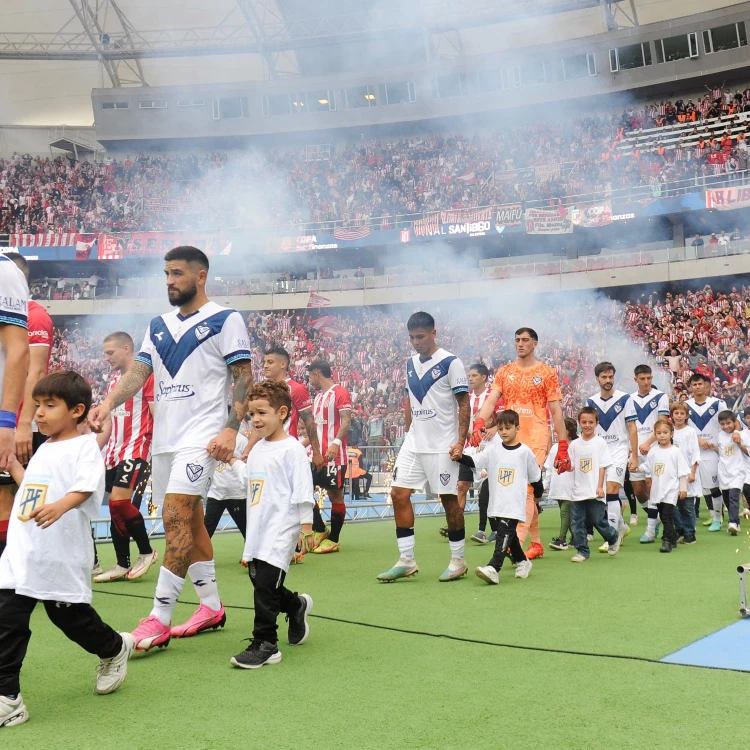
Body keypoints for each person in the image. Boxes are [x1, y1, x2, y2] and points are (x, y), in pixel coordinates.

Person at [88, 246, 252, 652]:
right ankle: (211, 607)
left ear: (200, 276)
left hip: (204, 436)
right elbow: (139, 372)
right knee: (191, 520)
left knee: (176, 515)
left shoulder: (225, 318)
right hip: (166, 440)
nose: (169, 281)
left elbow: (243, 379)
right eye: (165, 274)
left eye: (177, 273)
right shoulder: (157, 324)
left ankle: (158, 618)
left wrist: (232, 429)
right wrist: (107, 404)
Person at [0, 371, 134, 727]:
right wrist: (14, 466)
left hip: (57, 554)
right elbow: (33, 488)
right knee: (8, 619)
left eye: (49, 406)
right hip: (22, 551)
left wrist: (61, 506)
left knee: (71, 619)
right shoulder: (45, 447)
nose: (39, 413)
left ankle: (114, 648)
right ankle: (8, 697)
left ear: (76, 410)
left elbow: (88, 487)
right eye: (37, 405)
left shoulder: (84, 446)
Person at [227, 381, 315, 669]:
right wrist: (230, 459)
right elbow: (251, 482)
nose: (256, 419)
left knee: (264, 584)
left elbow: (303, 490)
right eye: (252, 414)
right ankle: (295, 605)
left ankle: (266, 643)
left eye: (262, 412)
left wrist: (305, 527)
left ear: (282, 412)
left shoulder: (292, 450)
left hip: (281, 527)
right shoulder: (258, 449)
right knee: (261, 581)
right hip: (258, 527)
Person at [377, 311, 469, 583]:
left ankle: (458, 560)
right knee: (398, 494)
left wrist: (460, 441)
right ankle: (406, 560)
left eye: (421, 337)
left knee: (449, 501)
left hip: (443, 445)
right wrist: (408, 432)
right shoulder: (409, 364)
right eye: (412, 338)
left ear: (433, 333)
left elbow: (464, 404)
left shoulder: (452, 363)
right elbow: (410, 399)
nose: (416, 342)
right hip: (414, 443)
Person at [472, 327, 570, 561]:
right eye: (517, 340)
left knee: (525, 489)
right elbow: (492, 400)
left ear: (535, 343)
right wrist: (478, 423)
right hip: (510, 437)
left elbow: (556, 412)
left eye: (525, 340)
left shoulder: (546, 373)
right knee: (524, 492)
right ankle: (536, 544)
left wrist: (563, 445)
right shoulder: (505, 372)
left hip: (536, 438)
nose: (520, 344)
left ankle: (512, 543)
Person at [243, 347, 328, 545]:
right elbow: (258, 424)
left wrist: (316, 452)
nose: (265, 365)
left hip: (286, 452)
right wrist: (248, 450)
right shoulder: (262, 389)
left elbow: (309, 421)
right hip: (265, 451)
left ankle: (300, 538)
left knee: (292, 495)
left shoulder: (296, 389)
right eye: (264, 362)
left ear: (284, 364)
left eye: (270, 362)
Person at [93, 332, 157, 583]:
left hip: (137, 448)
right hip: (113, 452)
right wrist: (93, 451)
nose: (106, 358)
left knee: (119, 502)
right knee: (114, 509)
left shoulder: (147, 378)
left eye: (110, 352)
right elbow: (109, 423)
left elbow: (156, 415)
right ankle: (122, 563)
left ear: (127, 349)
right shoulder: (113, 384)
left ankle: (147, 551)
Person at [455, 409, 542, 585]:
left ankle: (494, 568)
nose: (503, 432)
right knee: (510, 536)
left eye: (508, 428)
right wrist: (459, 457)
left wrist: (538, 497)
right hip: (498, 502)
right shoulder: (493, 450)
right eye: (500, 428)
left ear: (517, 428)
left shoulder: (524, 452)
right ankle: (523, 562)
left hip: (514, 503)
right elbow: (475, 462)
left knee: (503, 534)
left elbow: (536, 478)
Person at [0, 254, 50, 558]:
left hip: (17, 422)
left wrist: (18, 423)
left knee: (14, 495)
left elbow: (34, 368)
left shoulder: (36, 315)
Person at [586, 362, 638, 552]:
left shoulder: (625, 399)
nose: (608, 381)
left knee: (612, 490)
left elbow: (632, 428)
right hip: (599, 450)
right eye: (604, 377)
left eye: (610, 377)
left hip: (618, 449)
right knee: (605, 495)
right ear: (597, 379)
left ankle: (612, 537)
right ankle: (622, 527)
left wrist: (634, 456)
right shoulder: (590, 402)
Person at [307, 359, 352, 554]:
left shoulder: (340, 392)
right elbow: (317, 428)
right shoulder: (318, 397)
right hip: (315, 456)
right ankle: (319, 528)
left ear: (317, 374)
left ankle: (334, 539)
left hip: (335, 456)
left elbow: (346, 420)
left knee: (335, 495)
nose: (309, 381)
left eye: (310, 377)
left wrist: (335, 443)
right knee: (303, 492)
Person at [567, 406, 620, 562]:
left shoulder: (600, 443)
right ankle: (582, 551)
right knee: (576, 523)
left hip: (594, 490)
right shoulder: (574, 444)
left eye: (591, 422)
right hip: (577, 491)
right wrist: (563, 465)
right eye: (584, 422)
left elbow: (602, 466)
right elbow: (570, 464)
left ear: (596, 423)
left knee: (597, 520)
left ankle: (613, 537)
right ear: (579, 423)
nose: (587, 425)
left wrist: (600, 486)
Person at [459, 363, 496, 544]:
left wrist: (495, 428)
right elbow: (462, 421)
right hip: (469, 449)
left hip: (488, 447)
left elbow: (504, 418)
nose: (470, 378)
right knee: (461, 486)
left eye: (474, 375)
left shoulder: (494, 396)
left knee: (487, 493)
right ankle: (457, 525)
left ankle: (493, 529)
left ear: (483, 377)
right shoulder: (466, 398)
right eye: (469, 375)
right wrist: (466, 433)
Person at [629, 364, 670, 525]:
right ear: (636, 380)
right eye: (642, 379)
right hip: (636, 452)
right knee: (639, 491)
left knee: (651, 486)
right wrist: (630, 450)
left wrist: (647, 443)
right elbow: (629, 427)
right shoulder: (630, 399)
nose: (646, 382)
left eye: (649, 378)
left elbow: (662, 424)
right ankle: (658, 517)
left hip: (654, 449)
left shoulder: (660, 397)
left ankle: (652, 527)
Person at [685, 373, 727, 531]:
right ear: (691, 387)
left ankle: (718, 518)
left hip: (712, 452)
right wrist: (697, 440)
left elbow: (727, 423)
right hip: (692, 452)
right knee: (691, 487)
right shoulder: (686, 405)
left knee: (714, 487)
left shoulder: (717, 404)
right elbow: (683, 428)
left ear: (706, 385)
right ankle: (688, 521)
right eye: (694, 385)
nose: (697, 387)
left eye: (700, 384)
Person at [644, 419, 690, 553]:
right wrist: (636, 467)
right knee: (663, 514)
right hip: (657, 490)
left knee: (666, 516)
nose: (662, 435)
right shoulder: (653, 451)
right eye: (659, 433)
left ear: (671, 434)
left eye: (665, 432)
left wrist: (683, 488)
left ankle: (667, 540)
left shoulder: (675, 451)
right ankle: (673, 536)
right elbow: (648, 466)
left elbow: (682, 472)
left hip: (671, 490)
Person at [204, 429, 248, 540]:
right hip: (215, 493)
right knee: (206, 532)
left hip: (237, 493)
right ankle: (199, 557)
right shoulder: (212, 438)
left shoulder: (242, 440)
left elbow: (246, 463)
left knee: (247, 530)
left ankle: (252, 557)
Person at [670, 401, 700, 545]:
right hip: (672, 474)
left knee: (688, 506)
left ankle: (690, 534)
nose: (679, 416)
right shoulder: (669, 431)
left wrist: (693, 472)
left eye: (682, 413)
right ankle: (680, 528)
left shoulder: (690, 432)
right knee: (673, 504)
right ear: (672, 415)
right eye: (676, 413)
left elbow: (695, 453)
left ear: (687, 416)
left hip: (687, 473)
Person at [546, 417, 579, 551]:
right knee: (566, 513)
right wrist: (545, 484)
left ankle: (561, 539)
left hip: (570, 486)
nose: (555, 431)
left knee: (565, 513)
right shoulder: (555, 448)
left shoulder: (576, 447)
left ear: (569, 431)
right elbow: (549, 467)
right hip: (558, 486)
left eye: (560, 429)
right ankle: (576, 538)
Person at [717, 410, 749, 535]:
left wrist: (739, 442)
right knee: (726, 498)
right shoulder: (720, 435)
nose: (726, 426)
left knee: (733, 497)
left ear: (735, 422)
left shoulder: (741, 435)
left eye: (729, 423)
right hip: (724, 472)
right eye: (723, 424)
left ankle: (733, 522)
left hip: (737, 472)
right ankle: (736, 522)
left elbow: (747, 453)